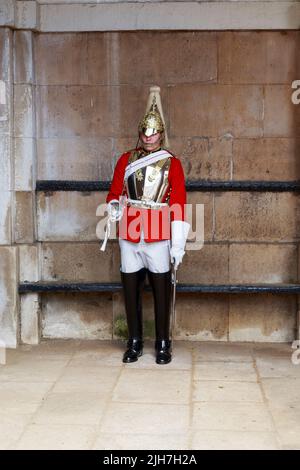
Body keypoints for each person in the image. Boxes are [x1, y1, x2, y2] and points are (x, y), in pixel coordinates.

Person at [103, 86, 190, 365]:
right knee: (130, 288)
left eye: (153, 133)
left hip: (158, 232)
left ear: (160, 134)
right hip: (130, 232)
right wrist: (114, 207)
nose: (149, 138)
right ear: (140, 133)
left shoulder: (172, 163)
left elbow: (177, 202)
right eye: (145, 133)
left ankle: (163, 342)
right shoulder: (125, 160)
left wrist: (177, 244)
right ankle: (135, 340)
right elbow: (115, 192)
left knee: (161, 290)